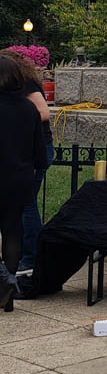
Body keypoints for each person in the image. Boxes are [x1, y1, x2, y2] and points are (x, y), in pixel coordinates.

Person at [0, 49, 55, 273]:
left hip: (24, 154)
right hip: (25, 157)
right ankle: (15, 269)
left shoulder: (27, 88)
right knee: (16, 218)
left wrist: (15, 117)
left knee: (28, 207)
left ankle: (31, 257)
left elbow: (43, 112)